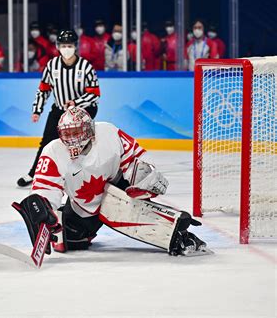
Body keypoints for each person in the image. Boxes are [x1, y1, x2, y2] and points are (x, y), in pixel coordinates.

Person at [13, 106, 208, 256]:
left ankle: (173, 233)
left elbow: (136, 160)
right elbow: (45, 188)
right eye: (67, 134)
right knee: (70, 241)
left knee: (127, 197)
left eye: (76, 132)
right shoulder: (53, 151)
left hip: (118, 189)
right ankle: (67, 219)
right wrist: (40, 207)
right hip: (84, 208)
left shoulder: (108, 133)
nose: (71, 139)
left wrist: (145, 180)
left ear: (89, 130)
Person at [17, 30, 100, 187]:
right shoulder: (52, 65)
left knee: (81, 143)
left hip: (83, 110)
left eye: (69, 45)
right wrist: (37, 110)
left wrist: (76, 103)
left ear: (75, 46)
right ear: (58, 47)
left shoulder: (86, 67)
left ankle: (86, 175)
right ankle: (34, 173)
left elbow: (95, 94)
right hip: (60, 109)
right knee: (47, 142)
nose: (66, 49)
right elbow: (43, 89)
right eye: (63, 45)